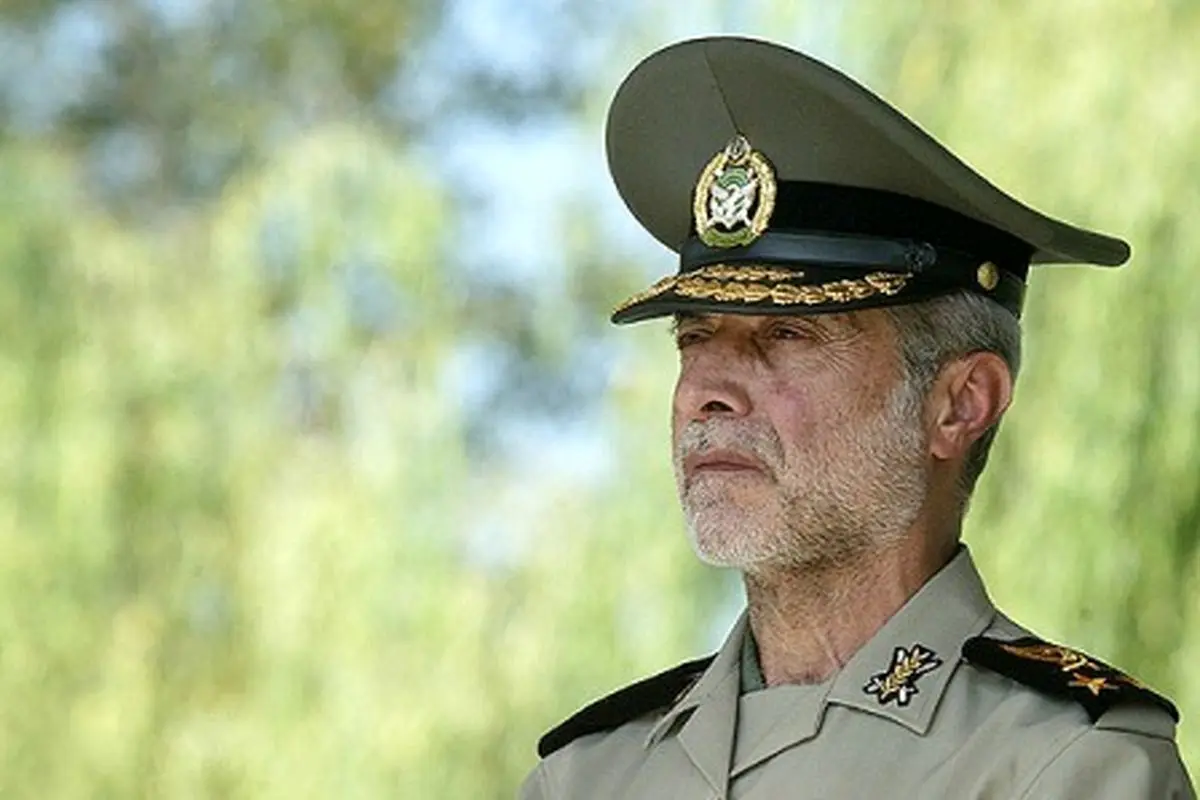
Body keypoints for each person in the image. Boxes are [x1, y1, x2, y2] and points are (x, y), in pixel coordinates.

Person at [519, 36, 1196, 798]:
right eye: (694, 337)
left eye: (787, 334)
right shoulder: (585, 776)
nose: (705, 391)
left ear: (960, 404)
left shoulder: (1067, 764)